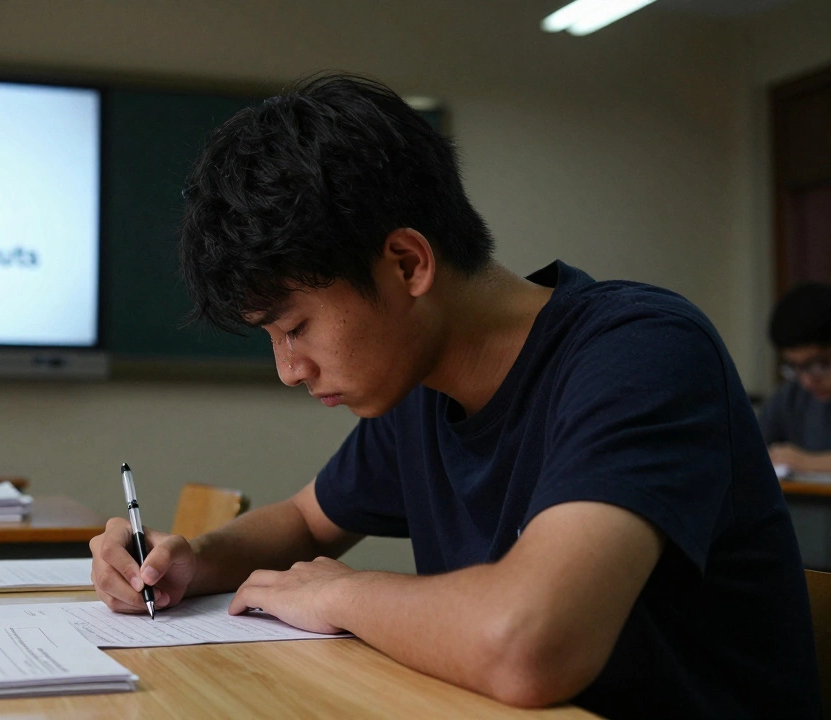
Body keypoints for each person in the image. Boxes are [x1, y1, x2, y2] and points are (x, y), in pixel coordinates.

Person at [88, 74, 819, 718]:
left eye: (296, 326)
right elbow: (308, 523)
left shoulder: (642, 352)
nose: (289, 369)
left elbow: (529, 645)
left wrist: (341, 596)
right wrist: (187, 560)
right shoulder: (419, 386)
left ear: (407, 264)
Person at [761, 282, 831, 474]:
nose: (807, 381)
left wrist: (808, 462)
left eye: (821, 364)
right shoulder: (790, 398)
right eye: (795, 367)